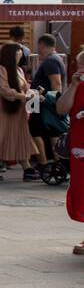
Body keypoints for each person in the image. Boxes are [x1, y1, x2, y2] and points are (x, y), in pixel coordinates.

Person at [0, 42, 38, 182]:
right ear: (11, 54)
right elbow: (3, 89)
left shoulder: (19, 70)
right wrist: (25, 97)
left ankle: (27, 168)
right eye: (18, 52)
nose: (20, 54)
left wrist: (34, 96)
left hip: (17, 109)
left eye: (20, 52)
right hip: (0, 109)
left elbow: (24, 88)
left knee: (20, 137)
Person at [58, 50, 84, 254]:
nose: (79, 69)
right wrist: (73, 86)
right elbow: (61, 109)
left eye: (81, 65)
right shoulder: (77, 86)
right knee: (81, 187)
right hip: (79, 145)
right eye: (78, 65)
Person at [28, 33, 65, 173]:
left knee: (34, 130)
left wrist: (53, 103)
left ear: (42, 45)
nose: (39, 50)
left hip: (41, 100)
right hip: (38, 99)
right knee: (51, 132)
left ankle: (44, 163)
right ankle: (56, 162)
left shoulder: (51, 61)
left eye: (39, 47)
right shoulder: (54, 59)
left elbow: (56, 83)